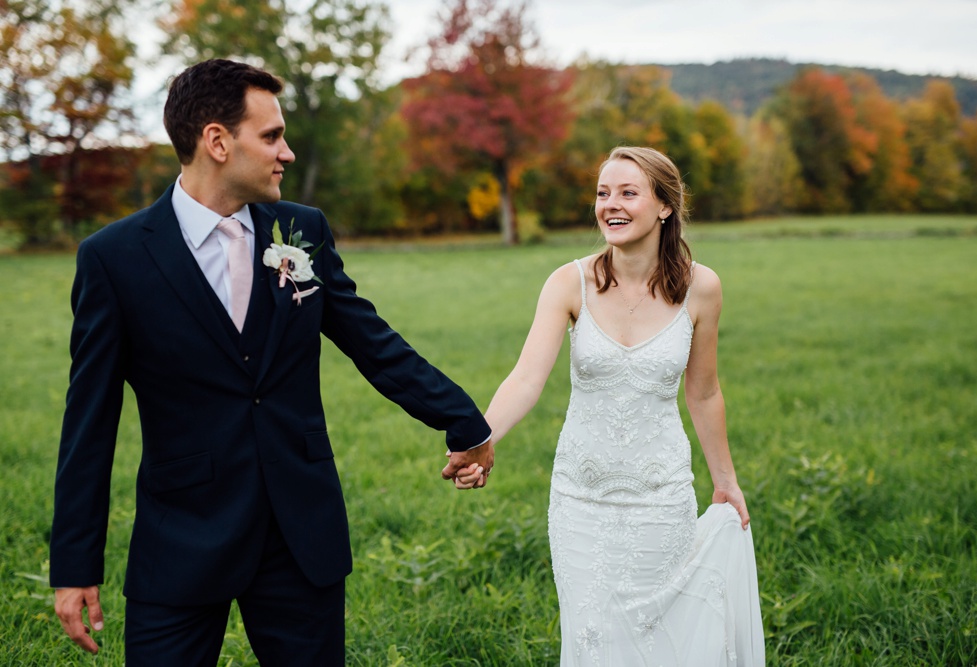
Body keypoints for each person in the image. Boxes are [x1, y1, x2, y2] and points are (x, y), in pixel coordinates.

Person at [50, 58, 492, 666]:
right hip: (181, 534)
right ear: (217, 141)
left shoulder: (300, 229)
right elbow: (89, 422)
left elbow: (372, 342)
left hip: (299, 530)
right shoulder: (114, 259)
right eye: (272, 136)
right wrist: (75, 565)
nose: (285, 152)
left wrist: (465, 421)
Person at [459, 146, 764, 664]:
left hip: (660, 496)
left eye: (628, 192)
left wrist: (726, 480)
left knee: (656, 640)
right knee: (593, 640)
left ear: (665, 206)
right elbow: (527, 378)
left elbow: (704, 391)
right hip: (581, 499)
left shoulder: (701, 288)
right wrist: (480, 437)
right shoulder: (568, 281)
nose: (610, 205)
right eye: (603, 193)